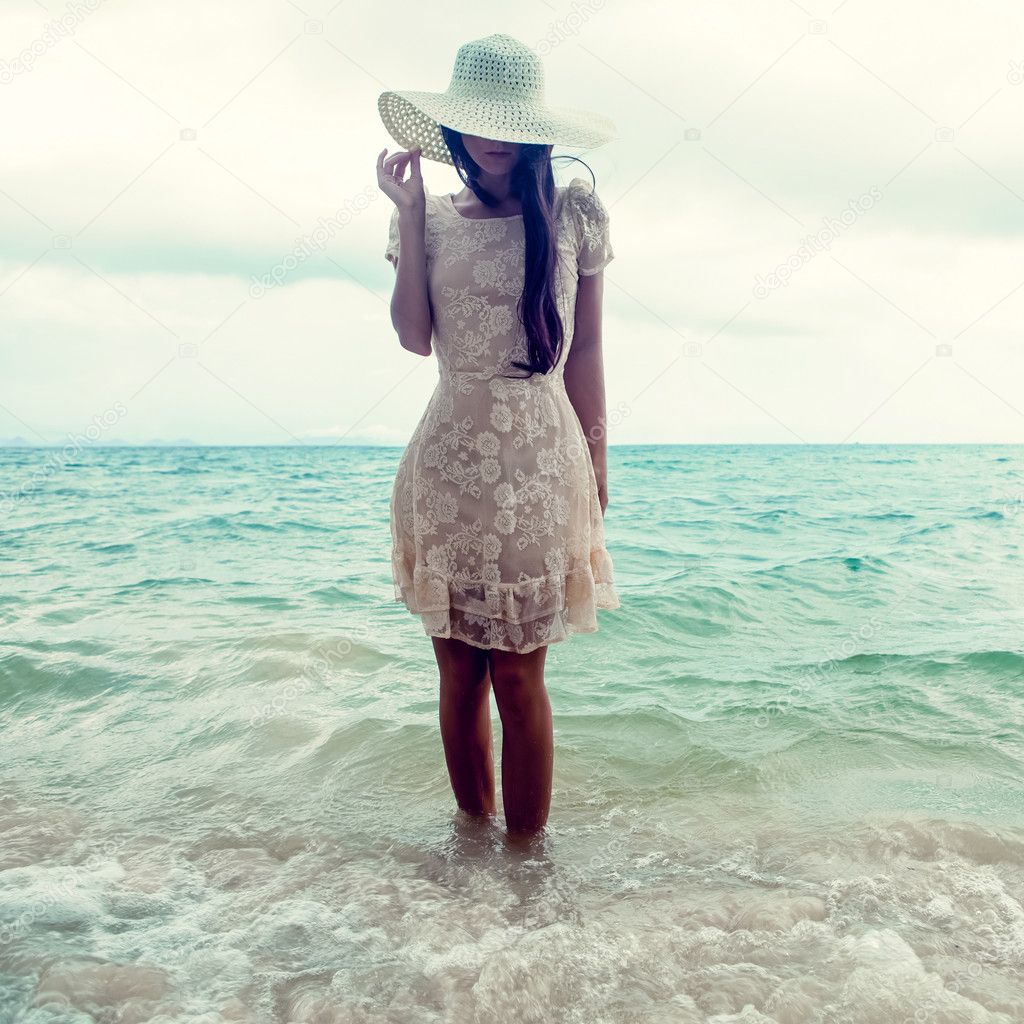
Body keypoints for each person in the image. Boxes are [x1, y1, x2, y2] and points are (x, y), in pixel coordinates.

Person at [374, 33, 620, 843]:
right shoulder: (434, 220)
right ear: (451, 125)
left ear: (535, 129)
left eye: (510, 120)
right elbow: (415, 337)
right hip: (447, 461)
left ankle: (527, 869)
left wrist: (597, 459)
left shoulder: (573, 214)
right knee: (455, 672)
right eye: (478, 119)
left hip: (543, 459)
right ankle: (470, 851)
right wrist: (409, 216)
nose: (493, 135)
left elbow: (584, 349)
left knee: (519, 674)